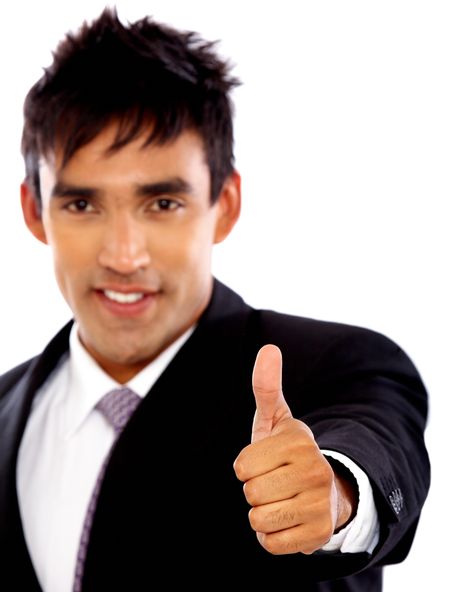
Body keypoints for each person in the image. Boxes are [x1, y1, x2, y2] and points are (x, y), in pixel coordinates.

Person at [0, 8, 429, 592]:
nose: (125, 255)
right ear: (34, 211)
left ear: (224, 204)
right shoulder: (4, 410)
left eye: (162, 204)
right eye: (83, 205)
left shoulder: (335, 366)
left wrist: (338, 492)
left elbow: (374, 439)